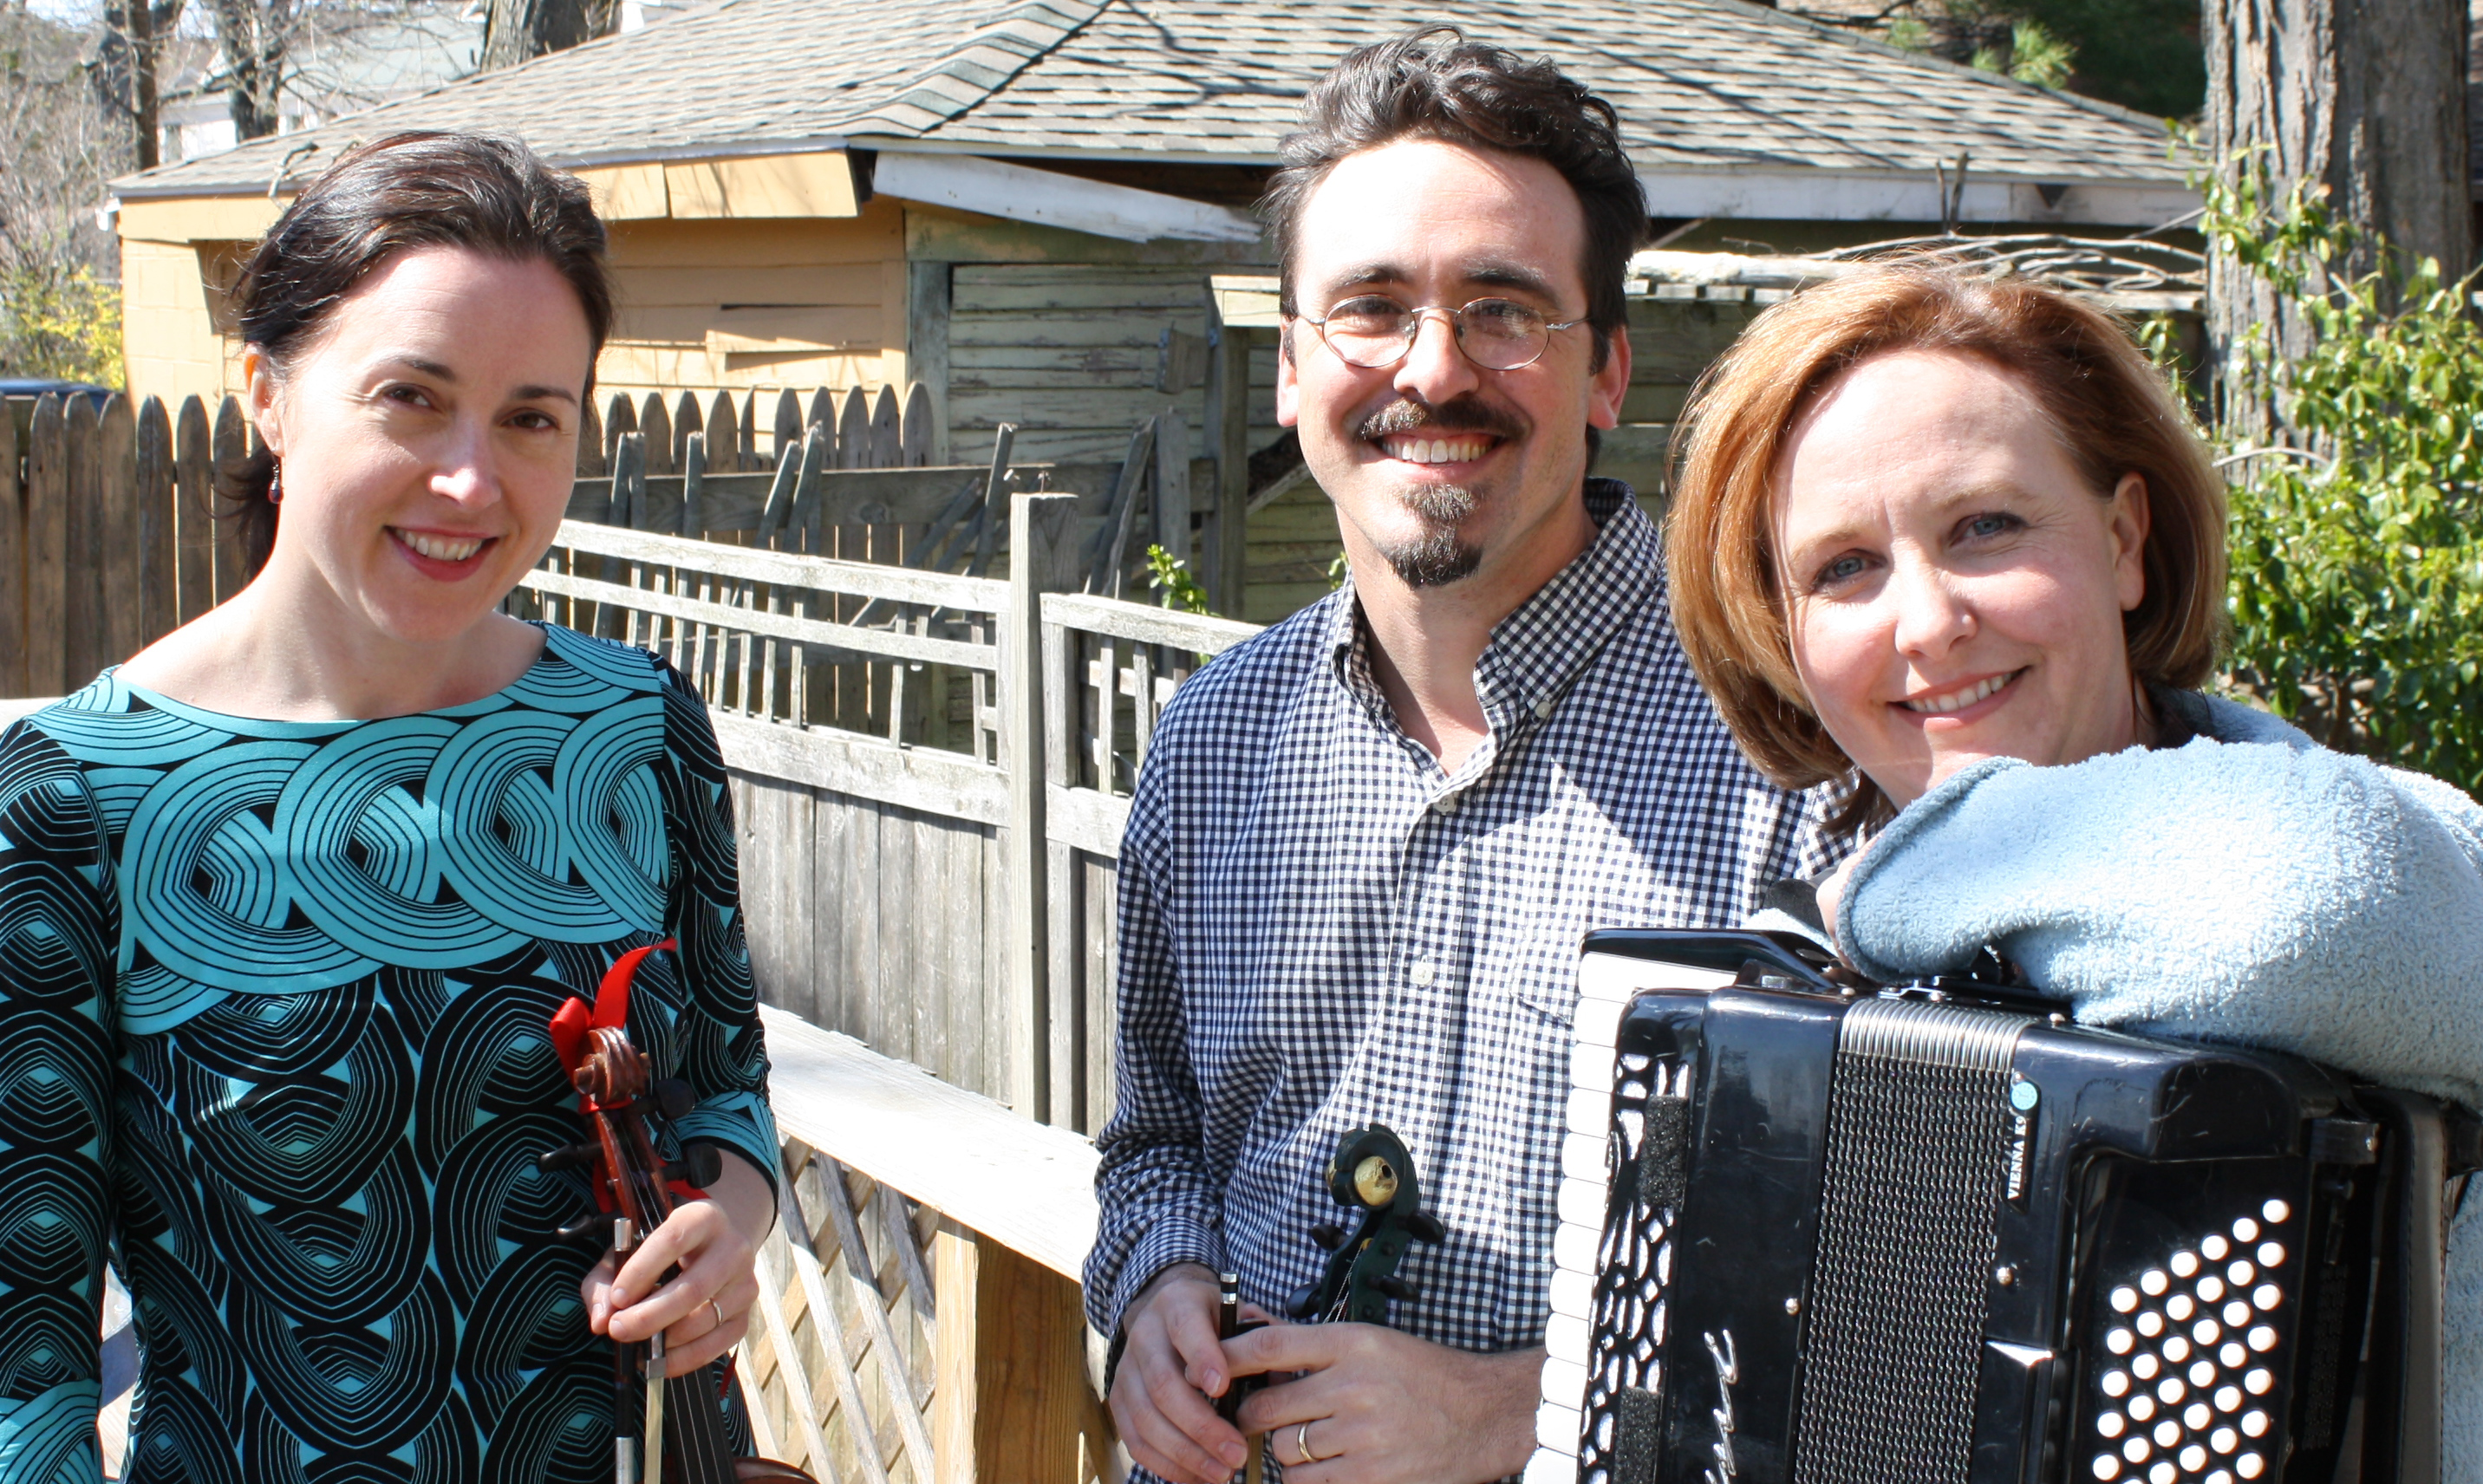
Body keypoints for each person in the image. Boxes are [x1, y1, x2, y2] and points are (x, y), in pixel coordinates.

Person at [1085, 29, 1839, 1484]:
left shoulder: (1796, 748)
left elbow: (1892, 1277)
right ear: (1292, 366)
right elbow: (1157, 1141)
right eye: (1370, 308)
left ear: (1607, 373)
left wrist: (1516, 1410)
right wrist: (1155, 1289)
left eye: (1505, 311)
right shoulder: (1214, 739)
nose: (1433, 370)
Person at [0, 132, 781, 1480]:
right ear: (269, 395)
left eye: (532, 417)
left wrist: (732, 1223)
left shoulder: (638, 730)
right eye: (412, 398)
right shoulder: (79, 795)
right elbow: (29, 1371)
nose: (472, 481)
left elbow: (725, 1092)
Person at [1664, 263, 2483, 1471]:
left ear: (2125, 542)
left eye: (1985, 527)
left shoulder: (2417, 851)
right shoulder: (1793, 994)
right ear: (1788, 640)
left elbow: (2296, 912)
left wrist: (1880, 900)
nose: (1926, 622)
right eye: (1842, 569)